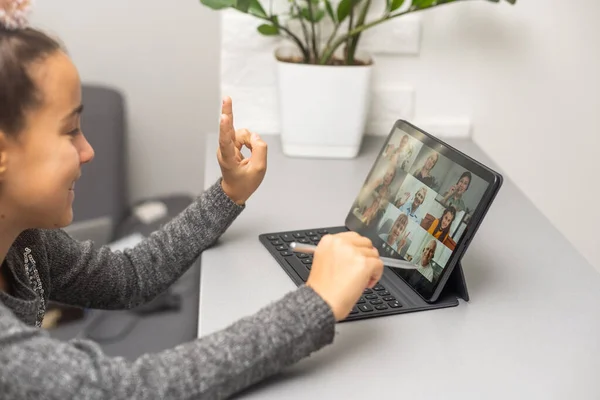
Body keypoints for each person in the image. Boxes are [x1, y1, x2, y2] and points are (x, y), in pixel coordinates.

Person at [0, 5, 384, 399]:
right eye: (70, 131)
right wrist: (316, 303)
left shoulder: (25, 240)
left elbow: (129, 277)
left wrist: (229, 192)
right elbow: (123, 392)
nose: (87, 151)